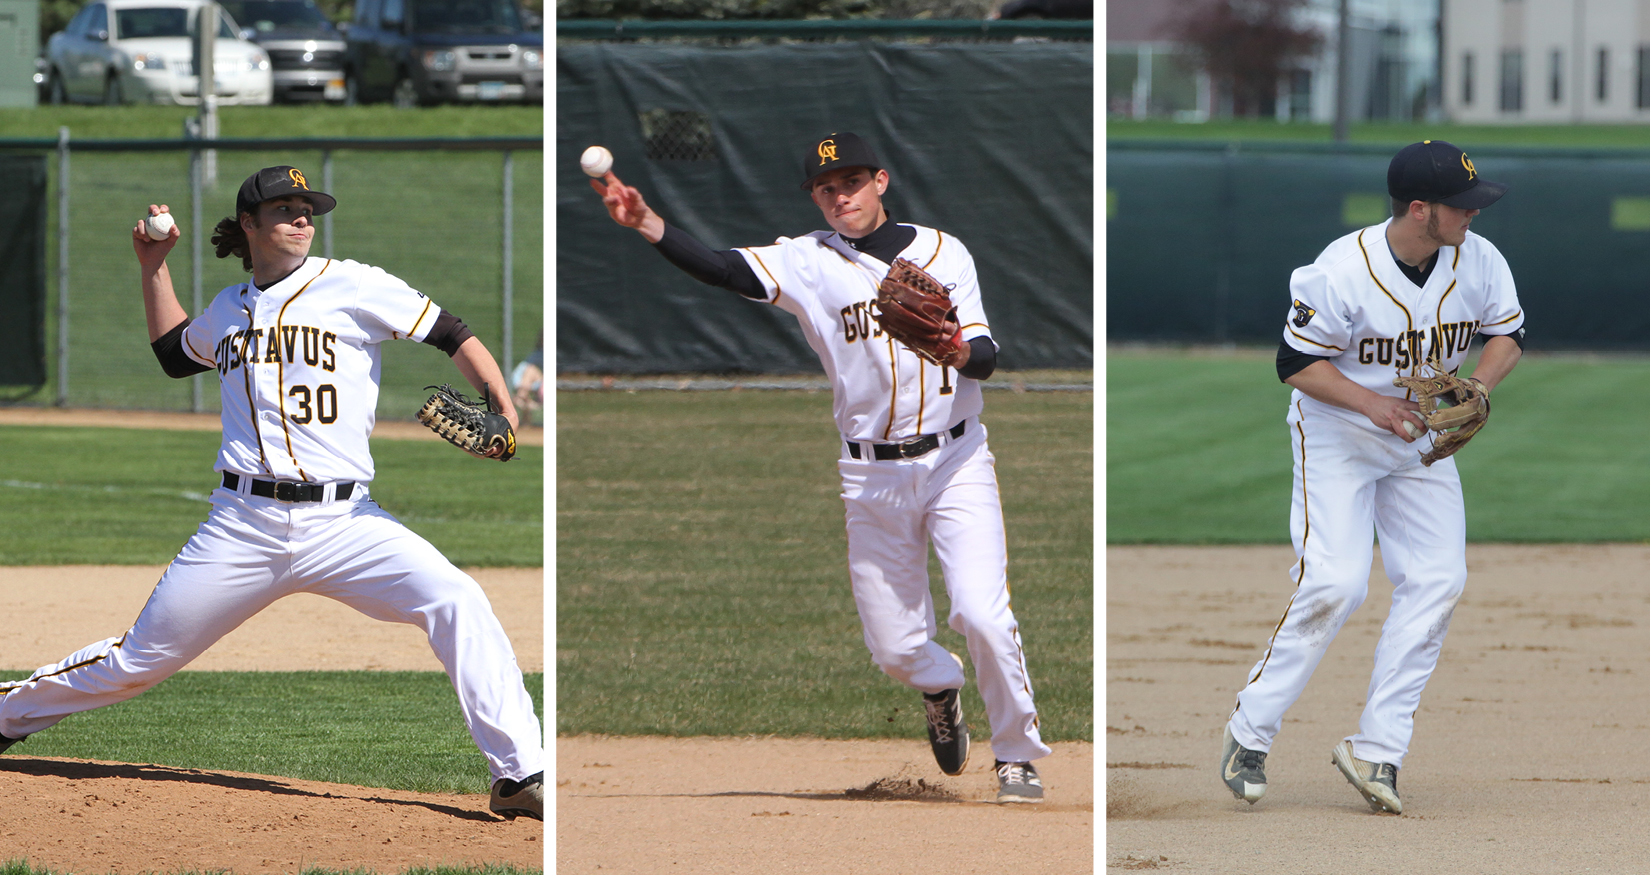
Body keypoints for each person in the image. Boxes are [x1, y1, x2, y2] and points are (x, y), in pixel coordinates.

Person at [0, 166, 545, 822]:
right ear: (249, 226)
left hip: (346, 523)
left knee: (456, 599)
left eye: (306, 207)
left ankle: (518, 775)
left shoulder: (354, 283)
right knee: (137, 662)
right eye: (283, 208)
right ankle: (8, 715)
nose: (300, 217)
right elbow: (176, 354)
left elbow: (453, 335)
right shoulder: (228, 309)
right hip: (242, 525)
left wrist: (505, 412)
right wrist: (154, 267)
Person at [589, 131, 1051, 803]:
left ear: (881, 182)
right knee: (894, 651)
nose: (842, 196)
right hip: (869, 476)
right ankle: (938, 684)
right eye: (827, 188)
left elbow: (985, 355)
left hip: (956, 458)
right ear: (814, 196)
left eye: (853, 182)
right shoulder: (806, 260)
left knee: (982, 612)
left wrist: (952, 349)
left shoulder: (943, 252)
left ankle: (1016, 755)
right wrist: (648, 225)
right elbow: (722, 269)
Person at [1221, 141, 1525, 814]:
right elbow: (1295, 363)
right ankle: (1249, 730)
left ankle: (1376, 749)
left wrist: (1477, 384)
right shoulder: (1339, 271)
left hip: (1420, 441)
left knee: (1438, 580)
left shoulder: (1477, 259)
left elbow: (1507, 335)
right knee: (1335, 581)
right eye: (1460, 206)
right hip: (1337, 433)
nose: (1472, 216)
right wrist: (1373, 405)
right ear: (1420, 211)